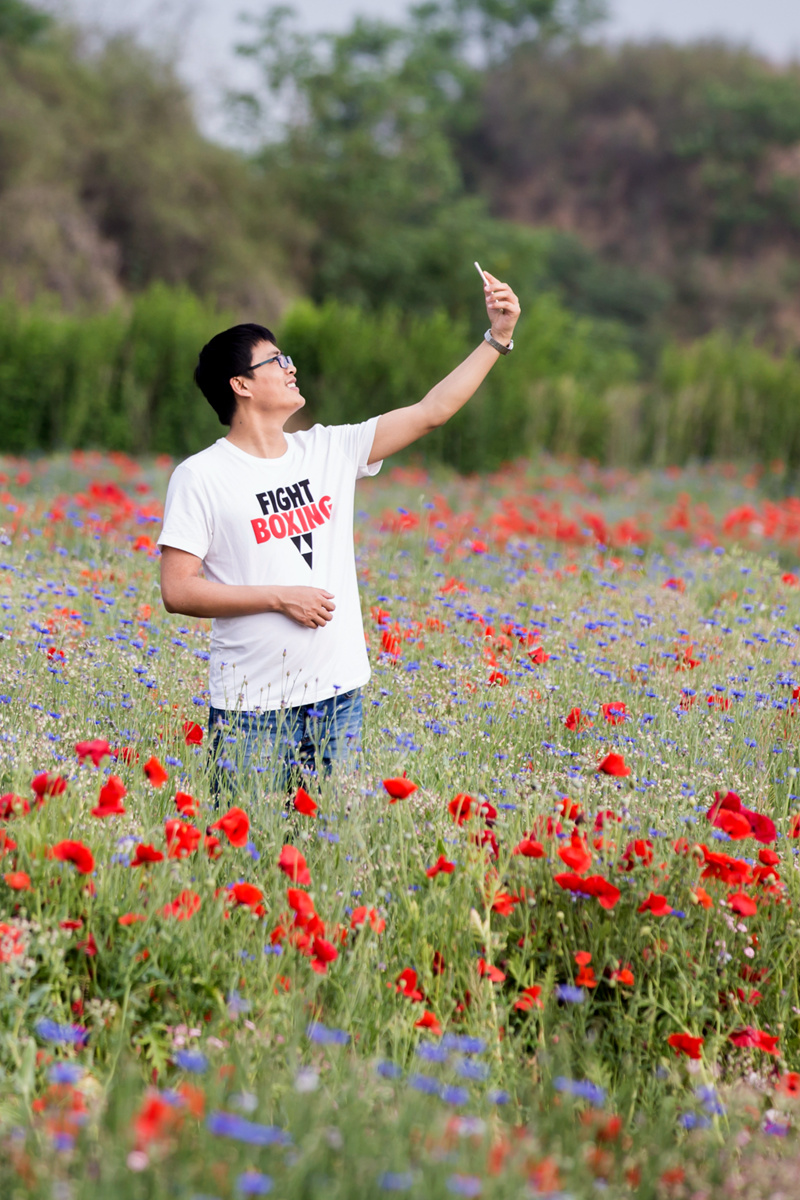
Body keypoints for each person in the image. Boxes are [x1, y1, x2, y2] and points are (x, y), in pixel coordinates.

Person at [157, 271, 520, 791]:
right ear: (240, 385)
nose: (291, 367)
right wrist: (279, 597)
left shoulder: (327, 449)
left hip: (337, 697)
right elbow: (177, 590)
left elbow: (431, 412)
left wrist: (497, 337)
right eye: (276, 361)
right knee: (241, 837)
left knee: (329, 836)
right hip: (250, 708)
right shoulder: (201, 476)